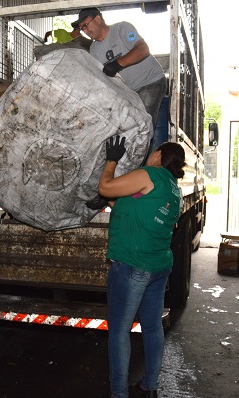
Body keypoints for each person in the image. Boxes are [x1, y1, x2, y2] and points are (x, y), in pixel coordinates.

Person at [96, 136, 186, 398]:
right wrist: (110, 203)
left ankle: (118, 393)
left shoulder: (150, 174)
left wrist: (111, 159)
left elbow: (106, 186)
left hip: (133, 265)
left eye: (152, 152)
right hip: (158, 267)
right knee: (151, 326)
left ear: (158, 155)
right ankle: (150, 384)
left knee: (119, 331)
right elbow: (133, 205)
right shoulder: (173, 188)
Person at [74, 8, 167, 133]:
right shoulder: (94, 49)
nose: (85, 31)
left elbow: (143, 49)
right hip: (129, 92)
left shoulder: (122, 29)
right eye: (82, 29)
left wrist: (118, 64)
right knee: (126, 128)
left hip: (150, 82)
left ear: (97, 19)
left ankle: (149, 152)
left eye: (85, 25)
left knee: (143, 126)